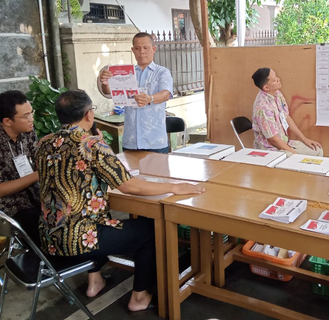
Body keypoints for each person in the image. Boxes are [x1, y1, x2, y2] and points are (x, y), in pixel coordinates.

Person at [36, 90, 204, 312]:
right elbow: (129, 186)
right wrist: (175, 187)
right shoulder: (91, 145)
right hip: (80, 239)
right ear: (88, 115)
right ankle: (139, 297)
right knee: (151, 231)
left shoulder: (43, 143)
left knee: (97, 220)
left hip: (49, 238)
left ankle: (95, 282)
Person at [98, 32, 173, 153]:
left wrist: (150, 98)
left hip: (154, 141)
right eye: (138, 48)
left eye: (146, 48)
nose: (142, 52)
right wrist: (105, 82)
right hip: (131, 141)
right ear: (133, 50)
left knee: (157, 172)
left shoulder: (162, 72)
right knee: (132, 172)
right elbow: (109, 92)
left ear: (153, 49)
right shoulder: (126, 73)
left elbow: (166, 94)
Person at [251, 67, 323, 156]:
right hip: (270, 149)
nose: (278, 79)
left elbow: (286, 117)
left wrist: (304, 139)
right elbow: (273, 139)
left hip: (285, 143)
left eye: (276, 77)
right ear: (266, 87)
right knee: (292, 157)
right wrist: (295, 154)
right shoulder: (262, 108)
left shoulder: (277, 93)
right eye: (274, 80)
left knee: (317, 150)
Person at [0, 90, 40, 242]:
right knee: (46, 224)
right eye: (25, 116)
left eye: (31, 113)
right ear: (7, 121)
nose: (32, 119)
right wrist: (36, 175)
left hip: (34, 197)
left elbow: (38, 159)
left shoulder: (27, 132)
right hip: (9, 210)